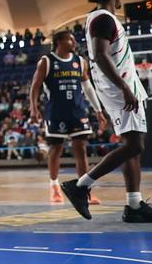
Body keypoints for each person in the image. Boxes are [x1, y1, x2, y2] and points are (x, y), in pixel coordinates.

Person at [61, 0, 152, 222]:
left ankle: (134, 205)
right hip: (119, 87)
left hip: (116, 85)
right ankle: (80, 186)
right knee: (135, 144)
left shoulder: (101, 15)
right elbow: (101, 56)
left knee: (131, 144)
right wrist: (125, 88)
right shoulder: (104, 20)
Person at [29, 30, 106, 204]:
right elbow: (35, 86)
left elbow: (87, 88)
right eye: (70, 39)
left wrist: (98, 110)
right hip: (56, 112)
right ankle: (54, 186)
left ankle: (83, 191)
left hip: (78, 111)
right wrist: (33, 108)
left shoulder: (79, 61)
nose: (73, 41)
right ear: (59, 42)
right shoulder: (47, 61)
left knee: (81, 150)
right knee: (56, 150)